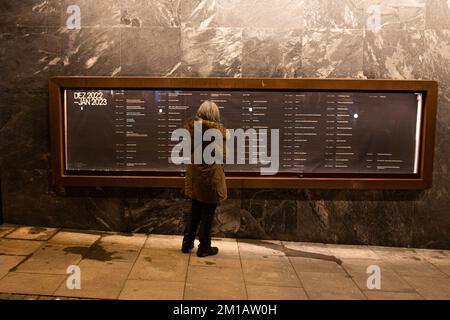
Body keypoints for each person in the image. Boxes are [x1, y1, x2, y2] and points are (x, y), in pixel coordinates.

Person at [182, 100, 228, 257]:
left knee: (195, 210)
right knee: (208, 212)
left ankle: (187, 243)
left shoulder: (190, 128)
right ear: (215, 114)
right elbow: (223, 156)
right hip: (210, 177)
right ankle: (204, 247)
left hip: (194, 175)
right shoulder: (217, 132)